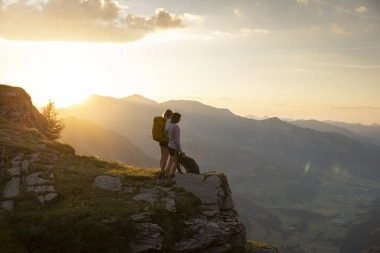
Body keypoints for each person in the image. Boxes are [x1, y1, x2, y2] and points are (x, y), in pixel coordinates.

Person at [164, 112, 182, 180]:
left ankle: (169, 175)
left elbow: (168, 135)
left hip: (170, 145)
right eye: (179, 118)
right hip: (174, 146)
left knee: (174, 161)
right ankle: (168, 176)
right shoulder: (176, 127)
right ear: (177, 119)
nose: (180, 120)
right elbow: (177, 139)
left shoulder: (170, 125)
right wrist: (180, 148)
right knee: (172, 162)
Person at [159, 109, 173, 180]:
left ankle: (161, 170)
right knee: (166, 158)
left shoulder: (162, 121)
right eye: (171, 115)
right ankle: (162, 172)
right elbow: (167, 132)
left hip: (161, 140)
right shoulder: (169, 122)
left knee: (162, 157)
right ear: (169, 115)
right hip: (167, 141)